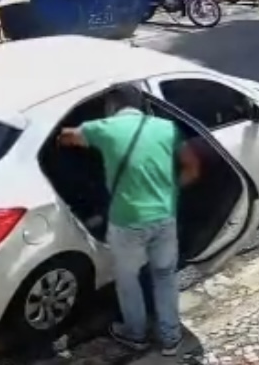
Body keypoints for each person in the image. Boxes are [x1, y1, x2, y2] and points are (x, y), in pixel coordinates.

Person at [57, 84, 201, 357]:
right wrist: (169, 192)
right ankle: (171, 339)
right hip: (164, 216)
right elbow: (192, 168)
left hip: (127, 222)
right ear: (142, 106)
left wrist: (62, 138)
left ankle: (135, 335)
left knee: (129, 279)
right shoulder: (167, 129)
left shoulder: (104, 128)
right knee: (164, 277)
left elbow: (67, 137)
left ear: (112, 107)